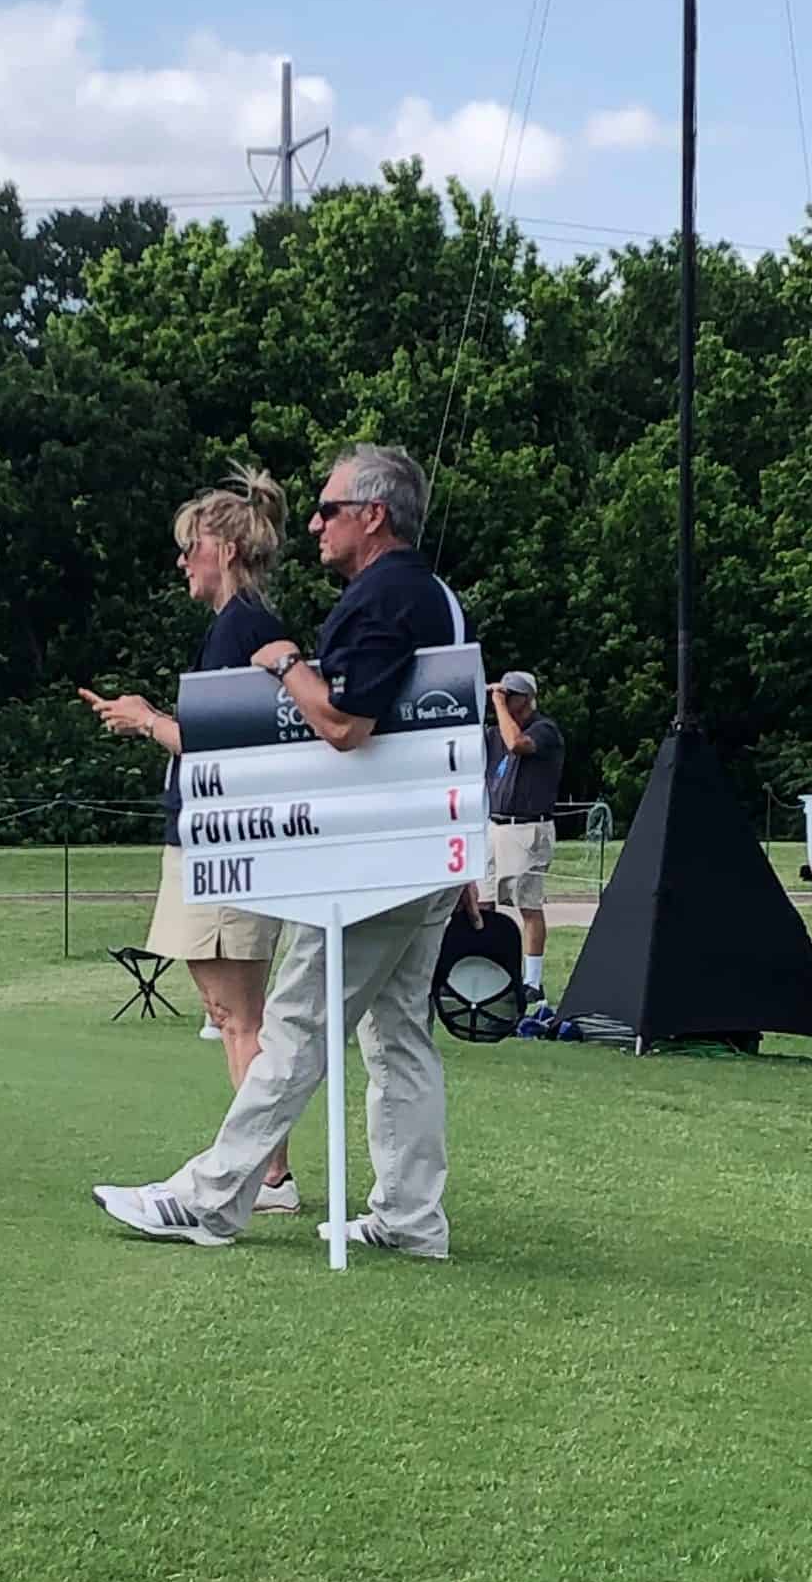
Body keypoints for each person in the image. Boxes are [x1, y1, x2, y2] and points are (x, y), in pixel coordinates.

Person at [92, 442, 471, 1257]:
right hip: (425, 848)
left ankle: (212, 1199)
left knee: (296, 1024)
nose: (313, 524)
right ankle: (410, 1220)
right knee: (399, 1037)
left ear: (372, 516)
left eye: (328, 509)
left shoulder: (384, 598)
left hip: (378, 860)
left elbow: (343, 723)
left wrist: (288, 664)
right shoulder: (434, 595)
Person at [78, 464, 298, 1210]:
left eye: (191, 546)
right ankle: (267, 1169)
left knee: (239, 1016)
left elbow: (223, 750)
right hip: (214, 844)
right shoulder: (237, 630)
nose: (183, 561)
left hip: (225, 847)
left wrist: (145, 721)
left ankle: (264, 1176)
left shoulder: (247, 630)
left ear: (227, 549)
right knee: (228, 1013)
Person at [480, 670, 565, 1004]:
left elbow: (517, 744)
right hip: (495, 825)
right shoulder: (495, 732)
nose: (502, 701)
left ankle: (532, 982)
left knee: (527, 905)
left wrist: (498, 705)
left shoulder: (544, 730)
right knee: (483, 904)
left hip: (528, 827)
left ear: (527, 698)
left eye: (510, 695)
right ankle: (488, 972)